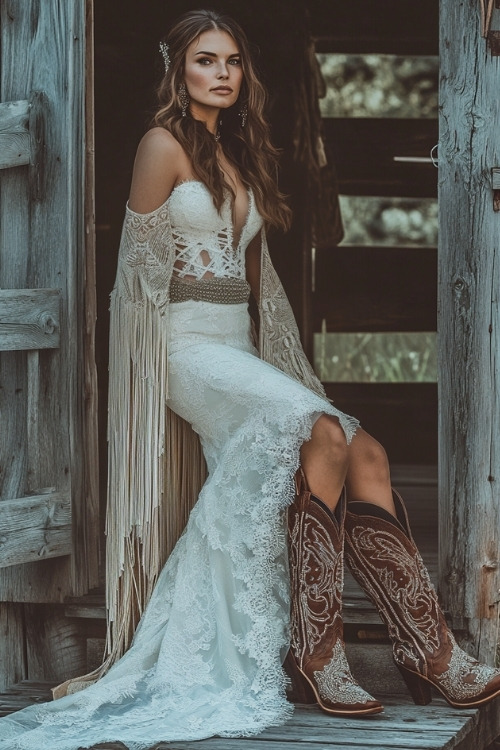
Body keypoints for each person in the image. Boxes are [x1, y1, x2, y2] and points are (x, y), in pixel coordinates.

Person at [1, 9, 499, 750]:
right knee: (324, 433)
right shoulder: (160, 145)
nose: (223, 73)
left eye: (232, 61)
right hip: (187, 350)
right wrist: (135, 388)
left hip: (240, 347)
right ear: (179, 70)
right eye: (207, 60)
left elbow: (258, 284)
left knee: (365, 454)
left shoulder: (235, 154)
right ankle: (319, 652)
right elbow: (136, 283)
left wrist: (285, 365)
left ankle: (428, 651)